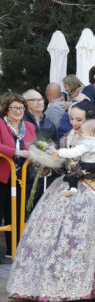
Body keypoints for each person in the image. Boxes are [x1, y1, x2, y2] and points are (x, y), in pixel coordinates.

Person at [7, 99, 95, 301]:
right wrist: (48, 165)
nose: (74, 123)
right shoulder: (68, 136)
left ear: (89, 119)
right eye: (71, 118)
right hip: (69, 186)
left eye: (79, 119)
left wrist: (88, 168)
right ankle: (55, 284)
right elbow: (64, 161)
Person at [0, 93, 36, 258]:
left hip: (22, 177)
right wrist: (16, 152)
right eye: (14, 107)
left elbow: (34, 146)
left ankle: (13, 251)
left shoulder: (29, 126)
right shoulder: (1, 124)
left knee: (17, 213)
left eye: (21, 108)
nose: (18, 111)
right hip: (2, 175)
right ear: (6, 109)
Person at [58, 74, 89, 138]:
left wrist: (67, 104)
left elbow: (82, 105)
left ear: (70, 85)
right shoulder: (70, 94)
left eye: (65, 87)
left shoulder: (84, 92)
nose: (65, 89)